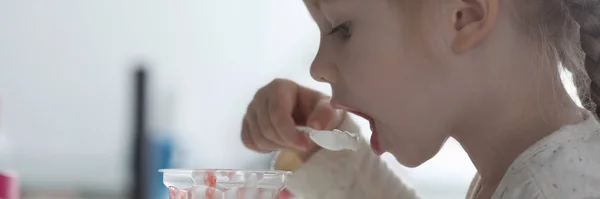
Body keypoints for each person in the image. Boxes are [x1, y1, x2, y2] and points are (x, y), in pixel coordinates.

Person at [240, 0, 600, 198]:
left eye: (342, 29)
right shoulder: (541, 173)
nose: (318, 68)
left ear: (463, 16)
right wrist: (322, 149)